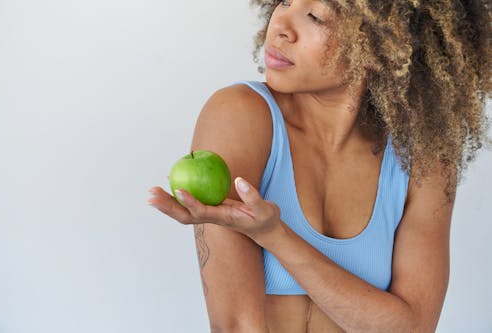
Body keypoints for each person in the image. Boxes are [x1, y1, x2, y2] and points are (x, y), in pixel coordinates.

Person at [148, 0, 492, 332]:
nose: (280, 27)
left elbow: (414, 327)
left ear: (382, 41)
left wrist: (275, 236)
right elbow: (236, 325)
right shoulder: (240, 115)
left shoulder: (423, 157)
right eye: (283, 1)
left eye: (315, 16)